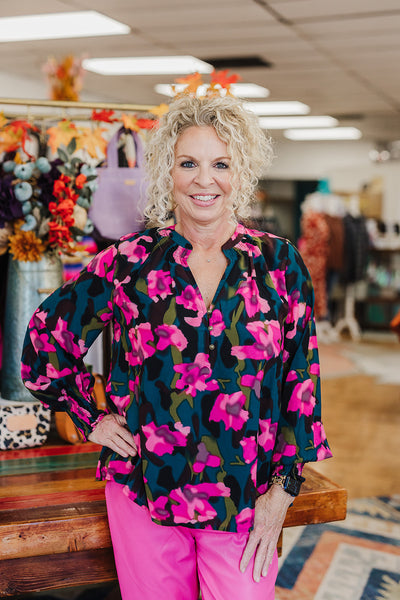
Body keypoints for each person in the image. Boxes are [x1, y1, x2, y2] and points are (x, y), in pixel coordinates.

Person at [21, 94, 332, 600]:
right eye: (189, 163)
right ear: (168, 169)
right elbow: (45, 342)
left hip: (245, 498)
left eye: (221, 164)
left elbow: (302, 384)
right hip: (143, 492)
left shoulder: (278, 264)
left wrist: (283, 492)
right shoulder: (128, 262)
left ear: (243, 171)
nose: (203, 180)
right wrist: (89, 417)